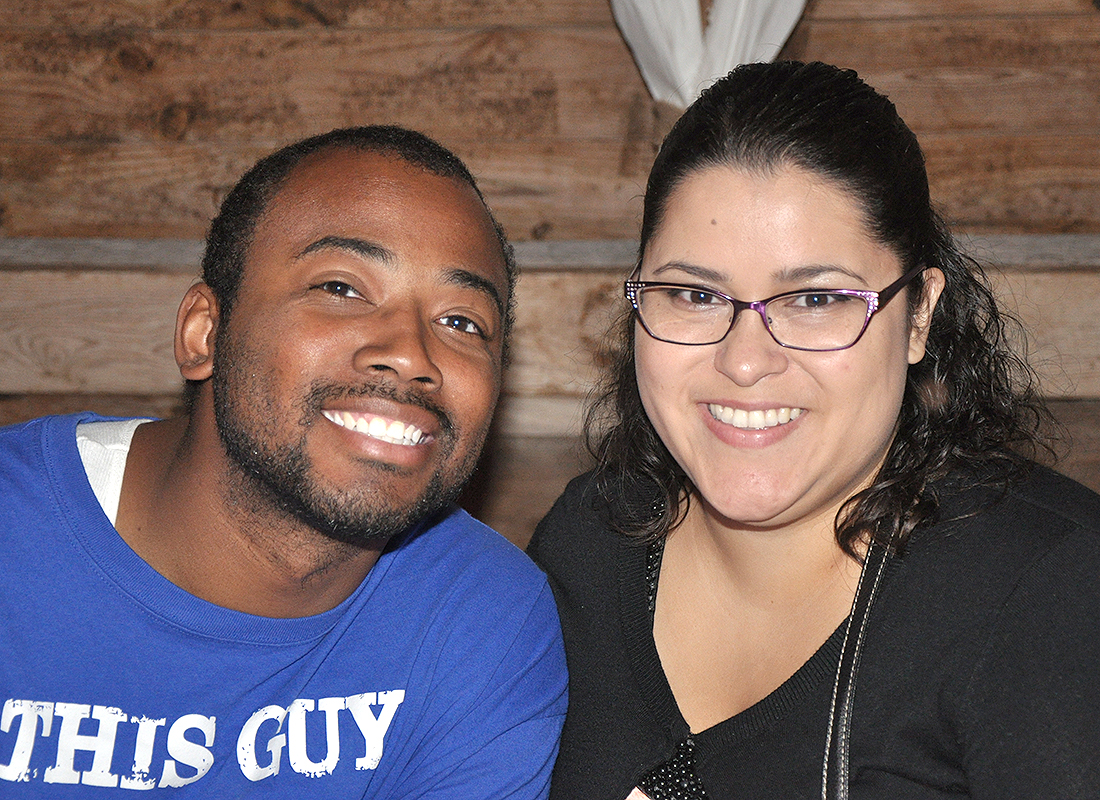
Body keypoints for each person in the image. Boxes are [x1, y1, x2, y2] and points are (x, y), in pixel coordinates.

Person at [528, 60, 1100, 799]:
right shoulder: (589, 543)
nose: (744, 361)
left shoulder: (1050, 591)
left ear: (920, 312)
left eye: (816, 299)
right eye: (696, 294)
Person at [0, 126, 567, 797]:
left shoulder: (483, 622)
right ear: (203, 334)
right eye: (340, 287)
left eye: (462, 322)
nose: (413, 354)